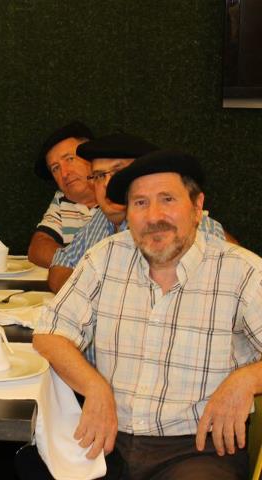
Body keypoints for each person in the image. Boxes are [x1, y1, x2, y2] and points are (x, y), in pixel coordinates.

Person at [32, 150, 262, 479]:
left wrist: (247, 378)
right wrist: (95, 387)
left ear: (197, 207)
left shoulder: (243, 272)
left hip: (198, 450)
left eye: (167, 199)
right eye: (140, 203)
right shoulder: (105, 258)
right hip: (107, 440)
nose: (153, 216)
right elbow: (49, 333)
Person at [47, 133, 227, 293]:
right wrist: (84, 294)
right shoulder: (101, 219)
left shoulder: (191, 225)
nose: (108, 184)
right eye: (100, 176)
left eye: (118, 172)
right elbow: (61, 262)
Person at [29, 121, 98, 268]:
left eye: (70, 159)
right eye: (55, 168)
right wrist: (83, 267)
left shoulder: (121, 196)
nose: (64, 173)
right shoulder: (63, 200)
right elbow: (37, 248)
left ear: (92, 156)